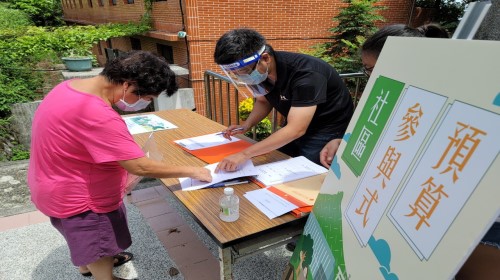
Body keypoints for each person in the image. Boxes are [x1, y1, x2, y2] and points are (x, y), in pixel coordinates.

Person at [27, 51, 212, 280]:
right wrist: (193, 170)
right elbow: (140, 167)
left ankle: (86, 266)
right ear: (127, 85)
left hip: (52, 184)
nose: (145, 104)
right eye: (146, 97)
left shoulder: (69, 87)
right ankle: (105, 275)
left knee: (84, 240)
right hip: (83, 200)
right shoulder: (97, 114)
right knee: (95, 238)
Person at [213, 28, 354, 172]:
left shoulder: (307, 75)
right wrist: (247, 125)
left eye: (243, 71)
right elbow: (263, 101)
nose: (241, 76)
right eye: (234, 73)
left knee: (307, 173)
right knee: (276, 160)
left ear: (265, 58)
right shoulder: (261, 71)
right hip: (296, 122)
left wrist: (243, 154)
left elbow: (296, 129)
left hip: (328, 128)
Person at [319, 23, 449, 168]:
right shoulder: (383, 97)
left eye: (370, 69)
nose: (369, 76)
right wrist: (344, 143)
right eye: (366, 69)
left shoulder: (432, 109)